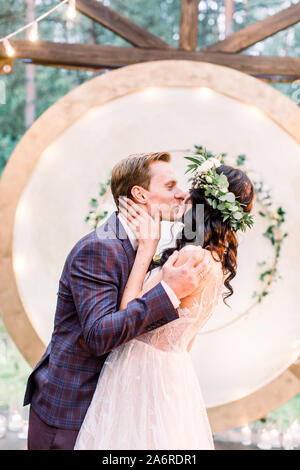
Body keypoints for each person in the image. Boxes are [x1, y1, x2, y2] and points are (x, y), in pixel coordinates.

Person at [24, 152, 212, 450]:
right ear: (140, 194)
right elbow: (99, 335)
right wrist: (169, 292)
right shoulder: (101, 248)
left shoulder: (141, 244)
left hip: (110, 410)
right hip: (71, 410)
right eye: (171, 185)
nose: (182, 192)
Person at [74, 154, 255, 450]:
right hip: (175, 370)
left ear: (201, 202)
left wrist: (148, 247)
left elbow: (127, 310)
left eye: (189, 192)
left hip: (140, 369)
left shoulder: (191, 257)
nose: (183, 195)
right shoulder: (216, 261)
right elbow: (189, 338)